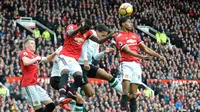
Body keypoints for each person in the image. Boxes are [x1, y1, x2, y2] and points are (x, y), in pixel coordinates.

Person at [57, 19, 116, 110]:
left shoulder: (87, 33)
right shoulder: (72, 26)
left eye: (86, 30)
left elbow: (99, 41)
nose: (85, 32)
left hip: (74, 60)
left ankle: (70, 95)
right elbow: (71, 34)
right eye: (84, 29)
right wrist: (80, 27)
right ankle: (62, 97)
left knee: (79, 76)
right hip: (65, 55)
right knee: (65, 71)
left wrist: (110, 35)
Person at [115, 17, 166, 112]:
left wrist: (159, 56)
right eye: (129, 22)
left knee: (133, 94)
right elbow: (128, 51)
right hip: (126, 64)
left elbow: (146, 49)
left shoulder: (135, 36)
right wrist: (142, 57)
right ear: (122, 24)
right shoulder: (119, 37)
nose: (131, 23)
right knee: (125, 91)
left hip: (136, 65)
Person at [78, 24, 123, 98]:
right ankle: (74, 89)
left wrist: (104, 52)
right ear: (98, 31)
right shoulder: (91, 33)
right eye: (103, 35)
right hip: (80, 65)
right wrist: (85, 60)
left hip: (88, 65)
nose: (103, 38)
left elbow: (95, 57)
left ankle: (125, 94)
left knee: (109, 76)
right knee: (90, 94)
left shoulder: (96, 42)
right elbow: (84, 47)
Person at [20, 37, 59, 112]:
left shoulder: (35, 56)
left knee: (51, 105)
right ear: (25, 45)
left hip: (35, 85)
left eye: (34, 43)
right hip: (28, 85)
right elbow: (26, 62)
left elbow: (47, 59)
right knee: (39, 109)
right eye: (31, 43)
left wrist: (55, 53)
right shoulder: (24, 52)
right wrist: (36, 59)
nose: (34, 45)